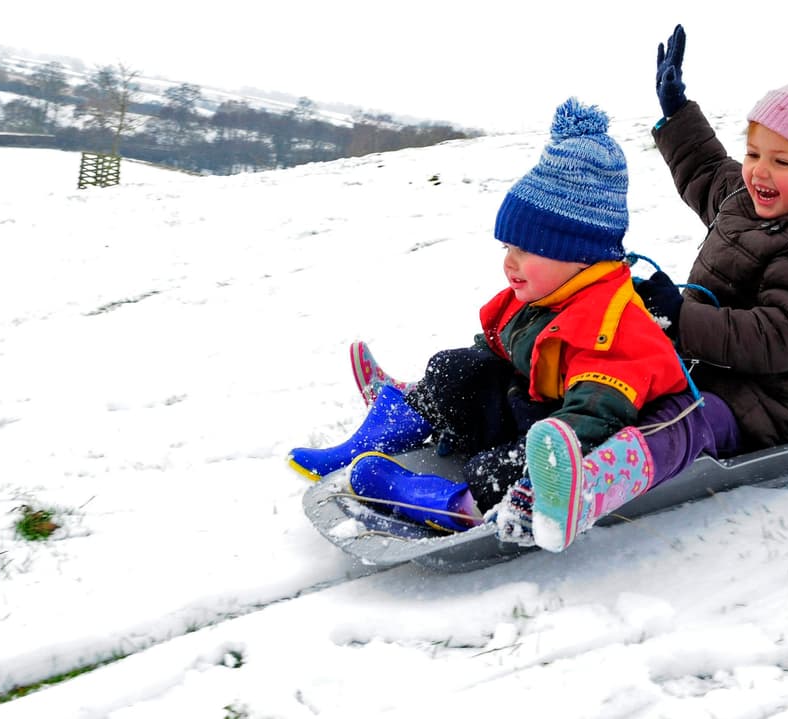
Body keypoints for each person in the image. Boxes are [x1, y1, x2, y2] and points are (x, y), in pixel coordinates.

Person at [492, 24, 788, 552]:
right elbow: (703, 169)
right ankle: (545, 452)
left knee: (679, 423)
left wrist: (683, 317)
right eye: (754, 153)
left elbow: (785, 335)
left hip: (768, 401)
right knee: (617, 375)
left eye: (782, 161)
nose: (759, 171)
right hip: (700, 369)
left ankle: (589, 489)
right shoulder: (750, 198)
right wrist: (677, 112)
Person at [287, 97, 688, 535]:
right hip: (531, 404)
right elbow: (493, 350)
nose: (509, 264)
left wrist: (540, 460)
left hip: (569, 428)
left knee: (521, 459)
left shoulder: (615, 329)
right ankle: (389, 429)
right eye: (507, 249)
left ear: (579, 254)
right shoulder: (542, 292)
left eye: (525, 251)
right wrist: (451, 394)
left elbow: (591, 422)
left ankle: (460, 505)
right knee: (456, 367)